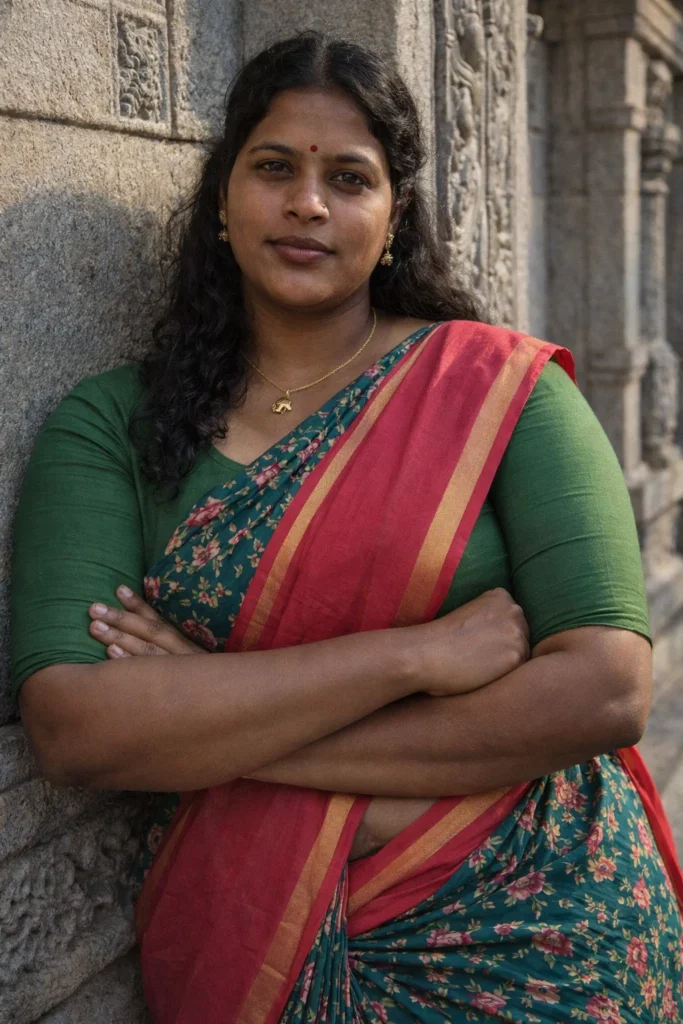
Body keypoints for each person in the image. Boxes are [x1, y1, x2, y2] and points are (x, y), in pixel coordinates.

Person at [11, 31, 683, 1024]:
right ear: (222, 203)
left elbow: (604, 689)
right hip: (248, 935)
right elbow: (76, 724)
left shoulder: (494, 390)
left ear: (392, 212)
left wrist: (201, 709)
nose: (308, 203)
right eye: (274, 167)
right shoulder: (111, 423)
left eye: (348, 177)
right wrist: (411, 655)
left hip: (542, 924)